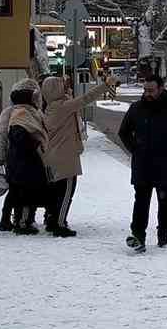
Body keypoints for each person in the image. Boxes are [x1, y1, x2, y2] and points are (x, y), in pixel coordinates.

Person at [117, 72, 167, 251]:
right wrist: (134, 150)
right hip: (142, 164)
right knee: (141, 201)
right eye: (145, 90)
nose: (147, 94)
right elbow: (123, 132)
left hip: (165, 164)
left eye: (151, 90)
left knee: (165, 201)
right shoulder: (136, 108)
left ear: (161, 89)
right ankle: (138, 236)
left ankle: (163, 236)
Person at [40, 73, 114, 236]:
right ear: (56, 90)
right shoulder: (63, 107)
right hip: (65, 156)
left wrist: (68, 94)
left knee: (57, 193)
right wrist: (106, 85)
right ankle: (59, 224)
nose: (65, 86)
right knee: (66, 193)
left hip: (55, 155)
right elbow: (86, 99)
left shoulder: (51, 107)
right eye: (61, 85)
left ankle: (53, 220)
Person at [0, 79, 41, 231]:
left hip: (11, 156)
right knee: (21, 189)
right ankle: (19, 219)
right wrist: (0, 158)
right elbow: (2, 134)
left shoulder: (9, 111)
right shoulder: (28, 112)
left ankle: (8, 219)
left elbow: (1, 135)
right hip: (20, 155)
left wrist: (0, 157)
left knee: (14, 189)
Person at [5, 82, 49, 234]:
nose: (37, 100)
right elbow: (18, 136)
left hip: (25, 161)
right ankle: (23, 223)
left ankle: (25, 220)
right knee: (25, 194)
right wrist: (35, 144)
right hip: (24, 162)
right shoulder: (22, 113)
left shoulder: (29, 112)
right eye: (34, 97)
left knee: (27, 192)